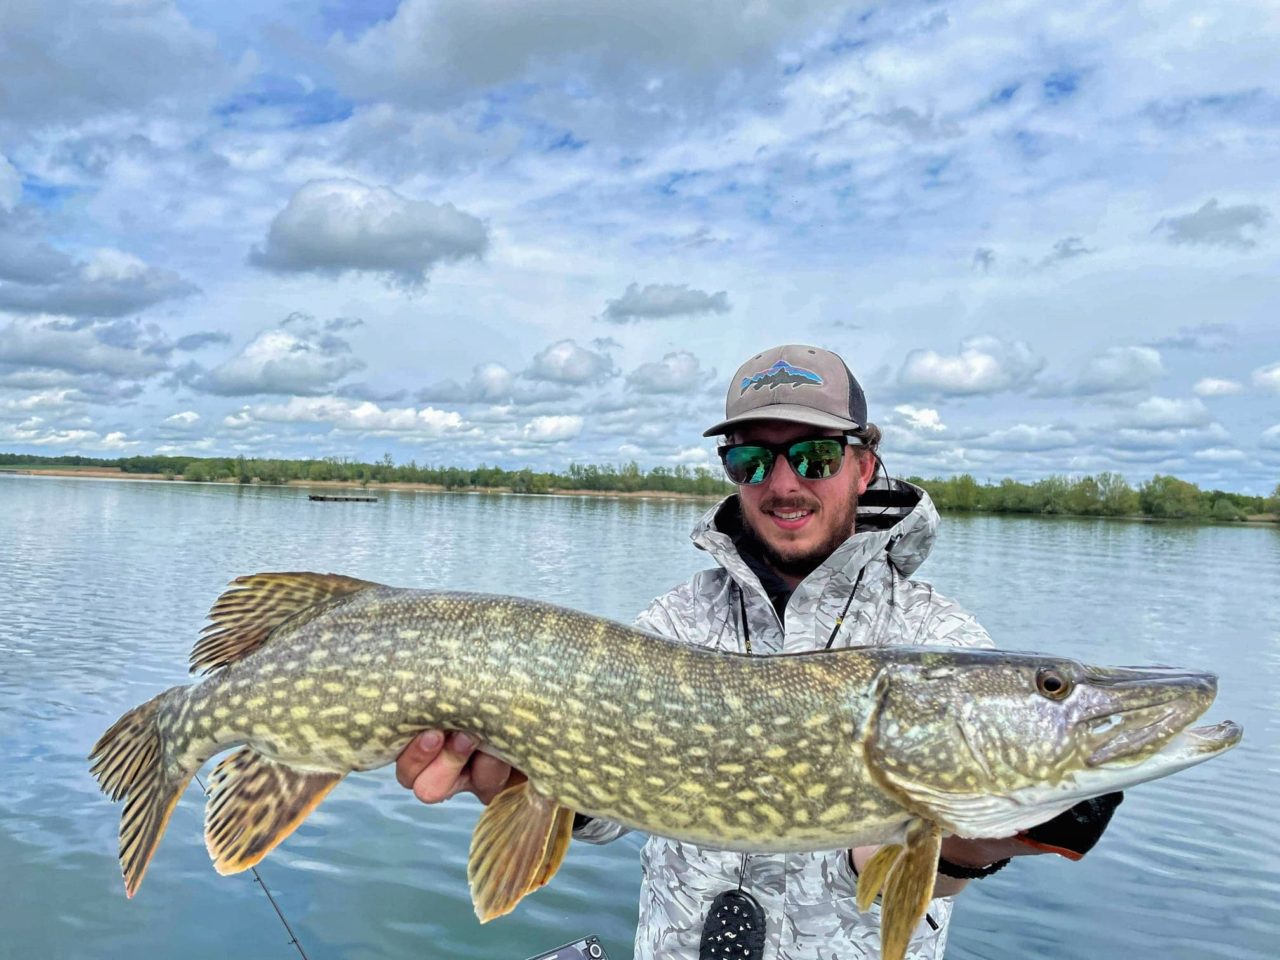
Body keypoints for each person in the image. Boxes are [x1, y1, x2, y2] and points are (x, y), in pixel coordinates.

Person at [395, 344, 1067, 959]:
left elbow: (897, 870)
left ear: (863, 466)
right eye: (750, 460)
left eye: (814, 457)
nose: (781, 484)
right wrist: (529, 777)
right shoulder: (674, 624)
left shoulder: (939, 641)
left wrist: (968, 851)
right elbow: (605, 814)